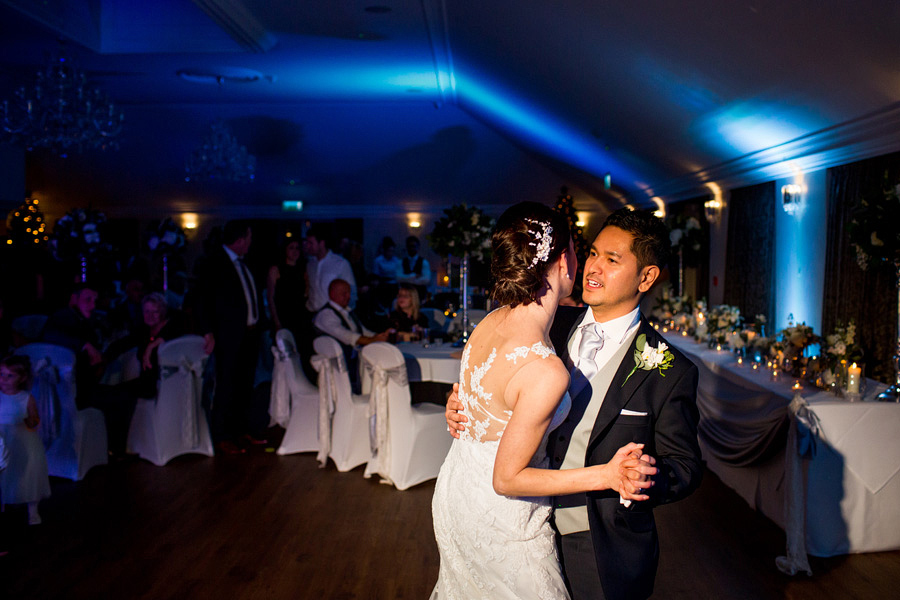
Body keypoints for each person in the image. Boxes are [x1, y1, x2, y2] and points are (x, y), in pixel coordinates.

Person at [446, 207, 702, 600]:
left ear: (647, 276)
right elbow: (499, 378)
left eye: (612, 260)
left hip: (597, 541)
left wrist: (643, 476)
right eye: (593, 253)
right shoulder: (548, 322)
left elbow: (684, 466)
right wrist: (465, 402)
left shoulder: (671, 369)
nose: (593, 268)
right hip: (520, 524)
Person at [195, 220, 267, 455]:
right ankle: (222, 436)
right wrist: (208, 331)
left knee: (245, 385)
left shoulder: (244, 264)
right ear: (239, 240)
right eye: (249, 238)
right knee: (226, 386)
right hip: (228, 336)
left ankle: (240, 431)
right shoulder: (214, 263)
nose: (251, 242)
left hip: (249, 334)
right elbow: (202, 300)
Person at [313, 279, 391, 394]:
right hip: (337, 369)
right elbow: (347, 336)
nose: (348, 296)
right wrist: (374, 340)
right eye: (344, 293)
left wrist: (380, 336)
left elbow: (363, 332)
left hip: (353, 363)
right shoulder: (326, 315)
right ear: (332, 294)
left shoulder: (347, 312)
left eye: (349, 293)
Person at [0, 355, 51, 526]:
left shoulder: (26, 397)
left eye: (10, 376)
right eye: (1, 374)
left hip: (21, 437)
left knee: (29, 472)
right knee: (4, 473)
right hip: (2, 439)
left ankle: (32, 511)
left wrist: (31, 422)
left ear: (21, 378)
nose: (3, 379)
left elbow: (34, 418)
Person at [304, 224, 357, 313]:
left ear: (321, 243)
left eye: (311, 243)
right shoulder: (310, 264)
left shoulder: (340, 263)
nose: (307, 246)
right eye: (307, 243)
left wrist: (342, 315)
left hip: (331, 317)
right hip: (311, 314)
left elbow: (352, 294)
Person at [398, 235, 431, 302]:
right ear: (407, 247)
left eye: (413, 246)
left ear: (418, 247)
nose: (411, 248)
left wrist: (406, 279)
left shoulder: (424, 262)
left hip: (420, 295)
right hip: (404, 295)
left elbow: (426, 280)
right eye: (409, 246)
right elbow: (398, 278)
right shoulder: (401, 262)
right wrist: (414, 276)